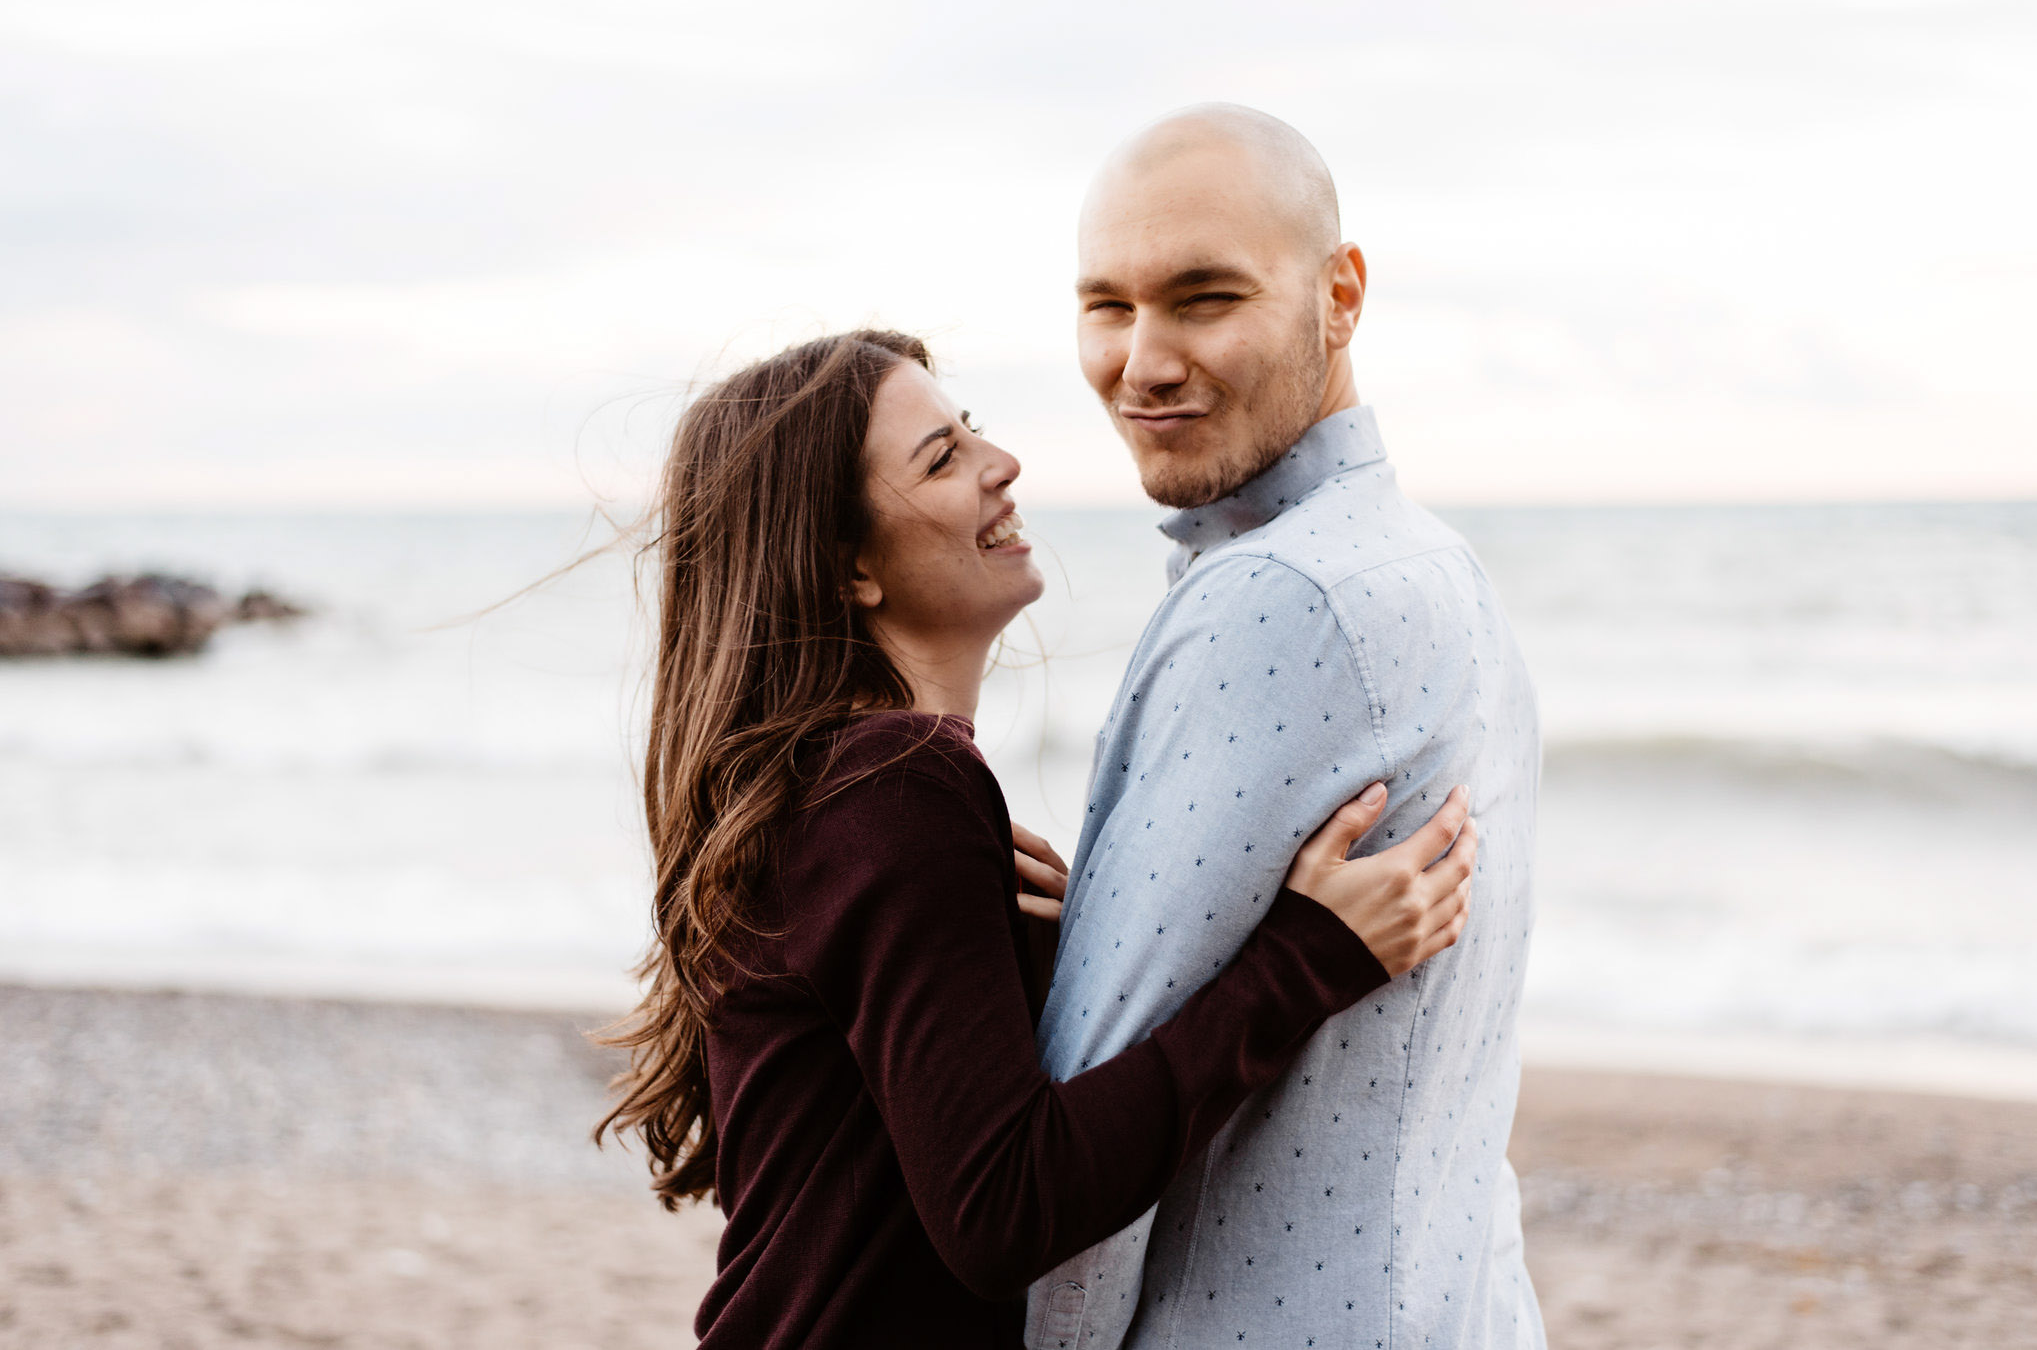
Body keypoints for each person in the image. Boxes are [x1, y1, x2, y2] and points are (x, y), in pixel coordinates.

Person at [594, 329, 1481, 1349]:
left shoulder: (830, 789)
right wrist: (1308, 957)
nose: (999, 461)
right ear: (848, 571)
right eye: (940, 457)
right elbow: (1002, 1208)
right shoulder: (895, 785)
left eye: (967, 428)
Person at [1025, 106, 1547, 1349]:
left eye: (1203, 298)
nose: (1140, 361)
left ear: (1340, 292)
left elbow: (1084, 1164)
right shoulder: (1440, 567)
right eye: (1105, 304)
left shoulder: (1277, 599)